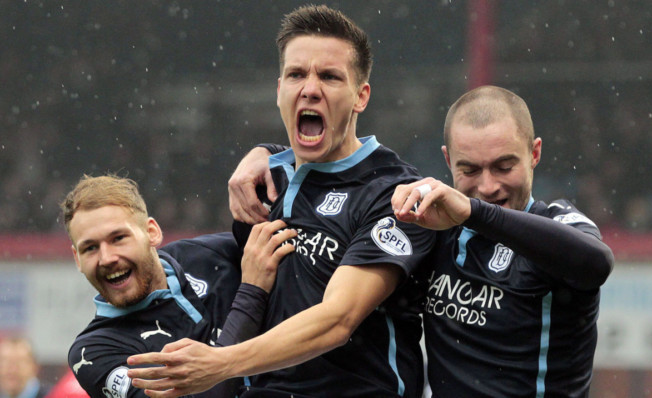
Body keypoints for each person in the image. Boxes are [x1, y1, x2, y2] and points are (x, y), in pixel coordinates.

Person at [127, 5, 435, 397]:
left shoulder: (395, 194)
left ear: (361, 97)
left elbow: (337, 321)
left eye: (329, 76)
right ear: (279, 91)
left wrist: (220, 362)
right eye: (296, 75)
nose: (309, 88)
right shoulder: (264, 181)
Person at [391, 85, 614, 397]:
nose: (488, 186)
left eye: (504, 167)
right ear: (447, 160)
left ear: (534, 153)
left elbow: (597, 263)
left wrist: (474, 212)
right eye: (469, 169)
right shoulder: (434, 232)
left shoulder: (556, 223)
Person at [61, 174, 295, 398]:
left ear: (151, 232)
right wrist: (252, 292)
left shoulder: (209, 255)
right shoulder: (94, 351)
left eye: (118, 238)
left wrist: (265, 153)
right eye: (90, 248)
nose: (107, 258)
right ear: (77, 259)